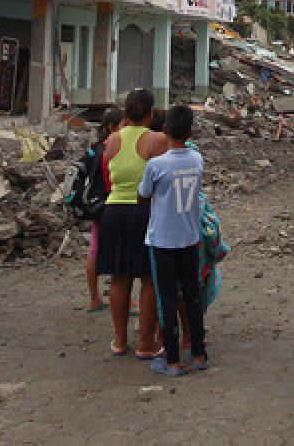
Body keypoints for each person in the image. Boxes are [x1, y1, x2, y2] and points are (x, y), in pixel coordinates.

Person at [139, 104, 208, 376]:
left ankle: (172, 359)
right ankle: (199, 352)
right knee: (191, 295)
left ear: (164, 130)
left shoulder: (156, 165)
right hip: (189, 237)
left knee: (166, 298)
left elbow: (144, 193)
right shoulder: (196, 160)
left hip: (162, 240)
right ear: (190, 132)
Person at [98, 88, 165, 359]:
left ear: (125, 113)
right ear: (151, 113)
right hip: (144, 211)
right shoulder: (156, 140)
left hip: (113, 211)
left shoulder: (112, 141)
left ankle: (119, 340)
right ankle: (146, 343)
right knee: (148, 277)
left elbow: (108, 170)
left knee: (119, 276)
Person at [83, 107, 122, 312]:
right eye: (121, 126)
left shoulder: (96, 148)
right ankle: (123, 298)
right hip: (109, 204)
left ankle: (94, 297)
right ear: (111, 127)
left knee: (95, 250)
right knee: (117, 252)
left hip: (96, 205)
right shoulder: (110, 149)